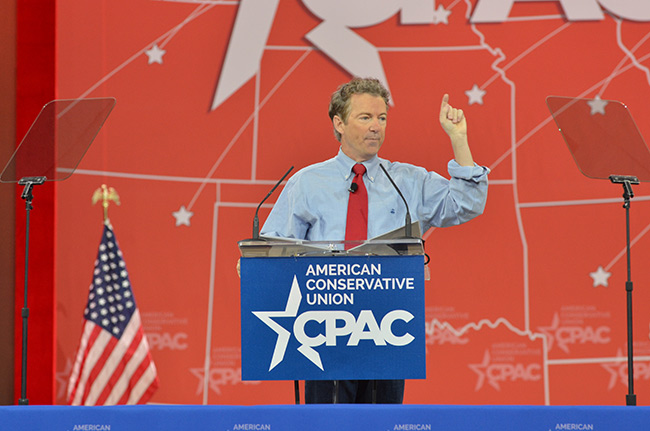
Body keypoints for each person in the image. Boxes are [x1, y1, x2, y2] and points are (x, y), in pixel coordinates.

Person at [260, 77, 489, 403]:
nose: (376, 127)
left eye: (382, 118)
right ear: (339, 123)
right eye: (365, 117)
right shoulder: (307, 183)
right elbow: (274, 249)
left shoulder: (408, 181)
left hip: (388, 324)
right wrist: (256, 264)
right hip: (325, 327)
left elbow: (466, 204)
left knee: (384, 422)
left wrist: (459, 139)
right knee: (330, 426)